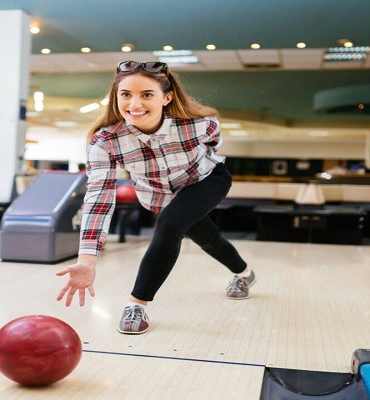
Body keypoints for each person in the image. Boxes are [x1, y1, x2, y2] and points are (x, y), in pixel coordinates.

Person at [56, 61, 255, 334]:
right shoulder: (105, 141)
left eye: (147, 94)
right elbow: (99, 198)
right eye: (125, 94)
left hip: (207, 180)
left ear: (167, 97)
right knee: (207, 237)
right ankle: (244, 274)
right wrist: (87, 259)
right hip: (159, 195)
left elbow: (213, 144)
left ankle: (136, 304)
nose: (134, 103)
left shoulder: (198, 124)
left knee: (170, 224)